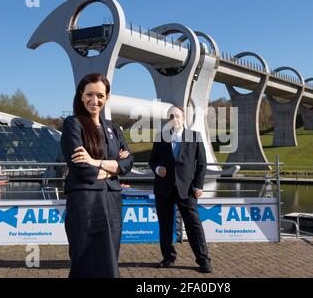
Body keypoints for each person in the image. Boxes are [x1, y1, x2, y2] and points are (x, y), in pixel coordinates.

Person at [61, 73, 134, 278]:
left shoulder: (113, 128)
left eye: (100, 95)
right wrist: (112, 168)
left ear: (107, 97)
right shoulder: (73, 124)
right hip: (85, 199)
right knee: (85, 256)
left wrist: (96, 162)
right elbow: (81, 168)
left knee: (110, 256)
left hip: (112, 199)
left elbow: (128, 162)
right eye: (90, 95)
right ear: (81, 96)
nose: (95, 100)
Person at [148, 106, 212, 273]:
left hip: (187, 189)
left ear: (184, 118)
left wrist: (198, 185)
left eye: (177, 116)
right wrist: (157, 169)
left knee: (194, 226)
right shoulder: (161, 137)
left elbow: (202, 164)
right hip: (163, 189)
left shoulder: (195, 136)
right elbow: (152, 160)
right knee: (165, 225)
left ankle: (203, 260)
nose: (174, 119)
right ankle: (168, 258)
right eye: (171, 116)